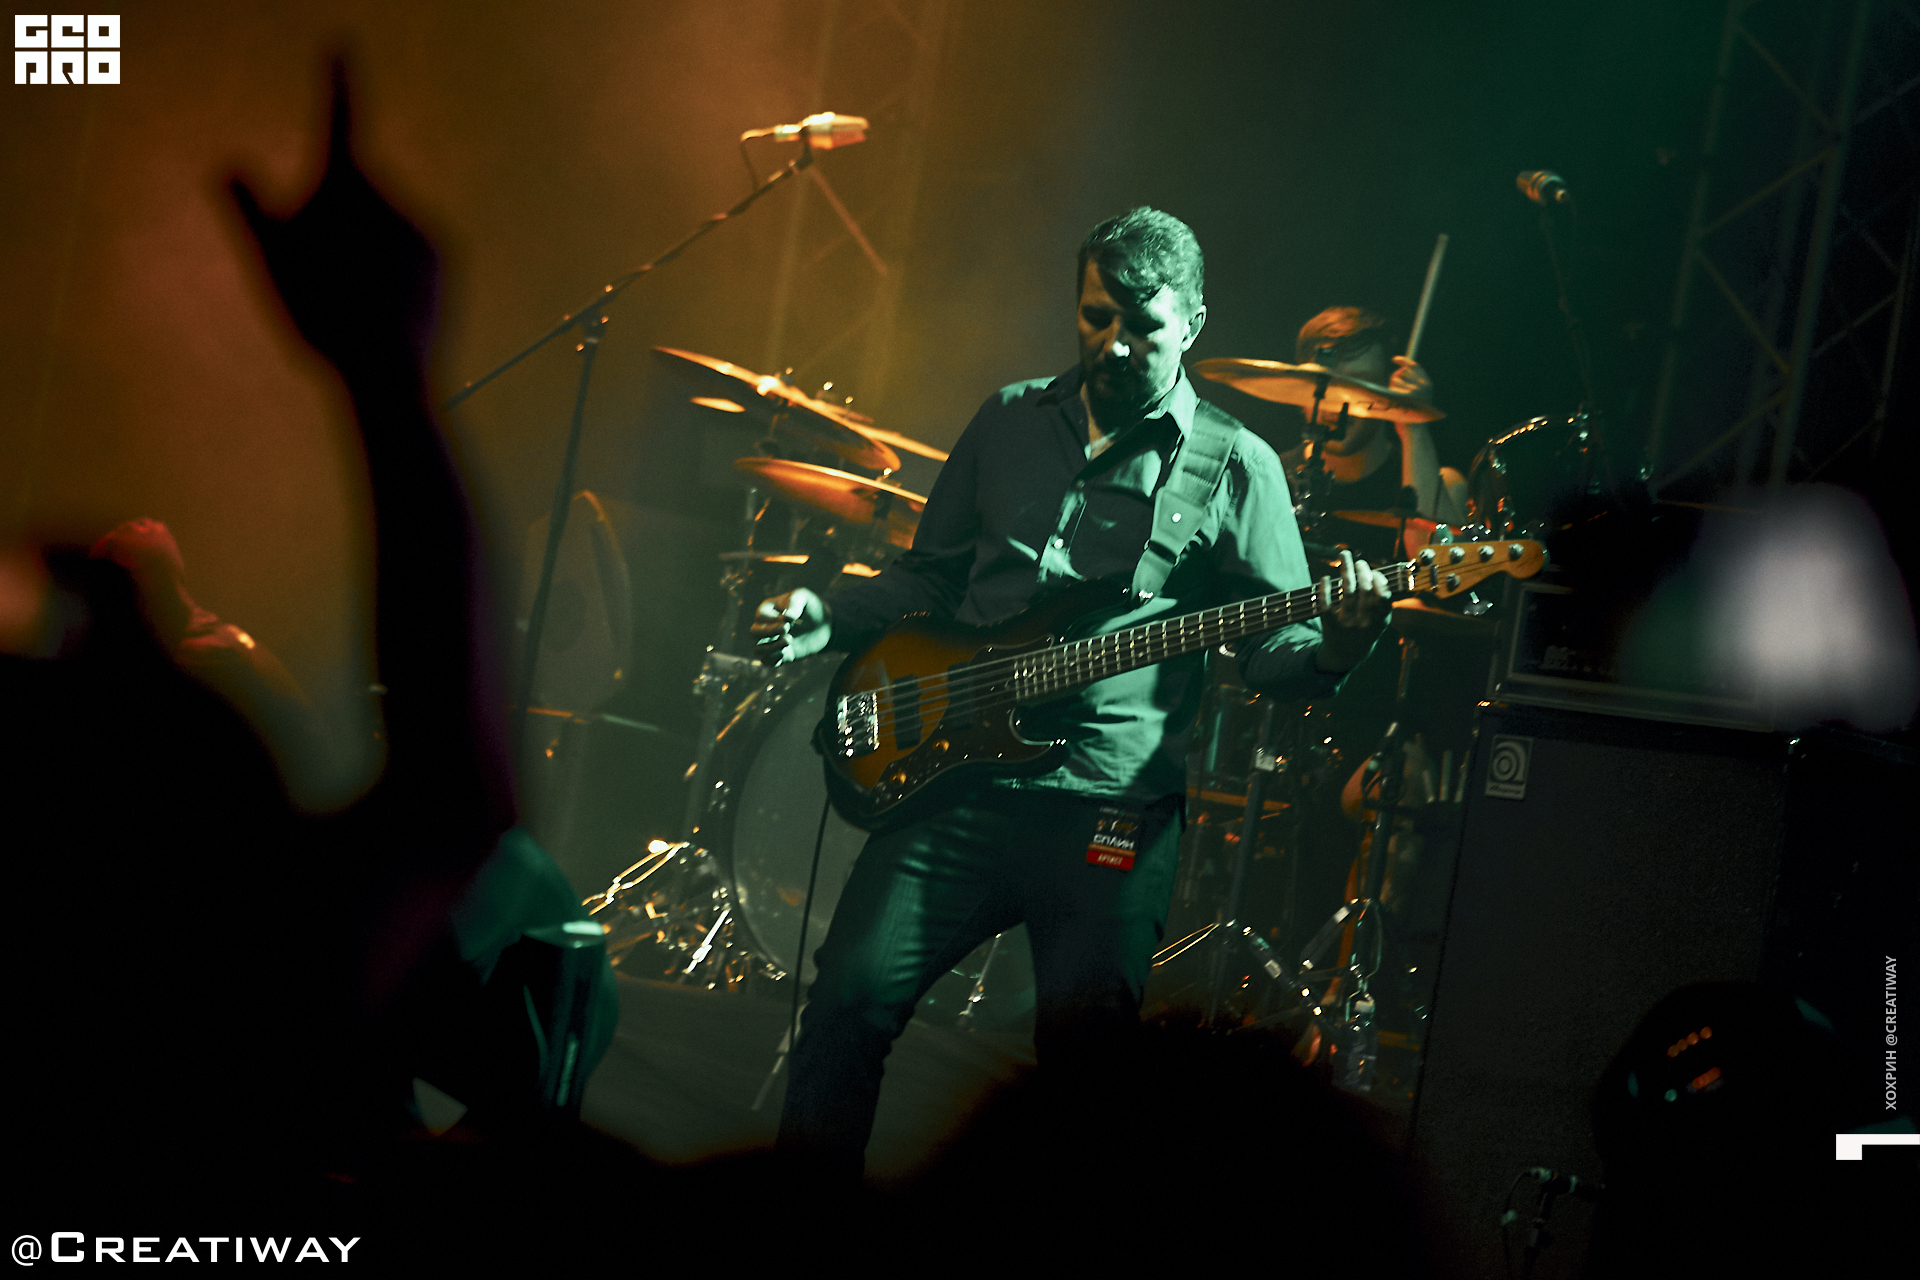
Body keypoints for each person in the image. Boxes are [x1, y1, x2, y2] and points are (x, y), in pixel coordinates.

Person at [751, 207, 1392, 1174]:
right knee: (846, 1005)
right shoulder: (1009, 418)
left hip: (1110, 808)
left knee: (1088, 1082)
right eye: (1097, 318)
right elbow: (930, 580)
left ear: (1194, 323)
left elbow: (1273, 651)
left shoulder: (1235, 465)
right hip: (956, 783)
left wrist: (1339, 645)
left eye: (1143, 325)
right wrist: (829, 615)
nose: (1115, 344)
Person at [1284, 306, 1467, 561]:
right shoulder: (1266, 479)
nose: (1336, 403)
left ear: (1389, 390)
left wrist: (1413, 424)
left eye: (1358, 384)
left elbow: (1441, 567)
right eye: (1324, 382)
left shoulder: (1446, 485)